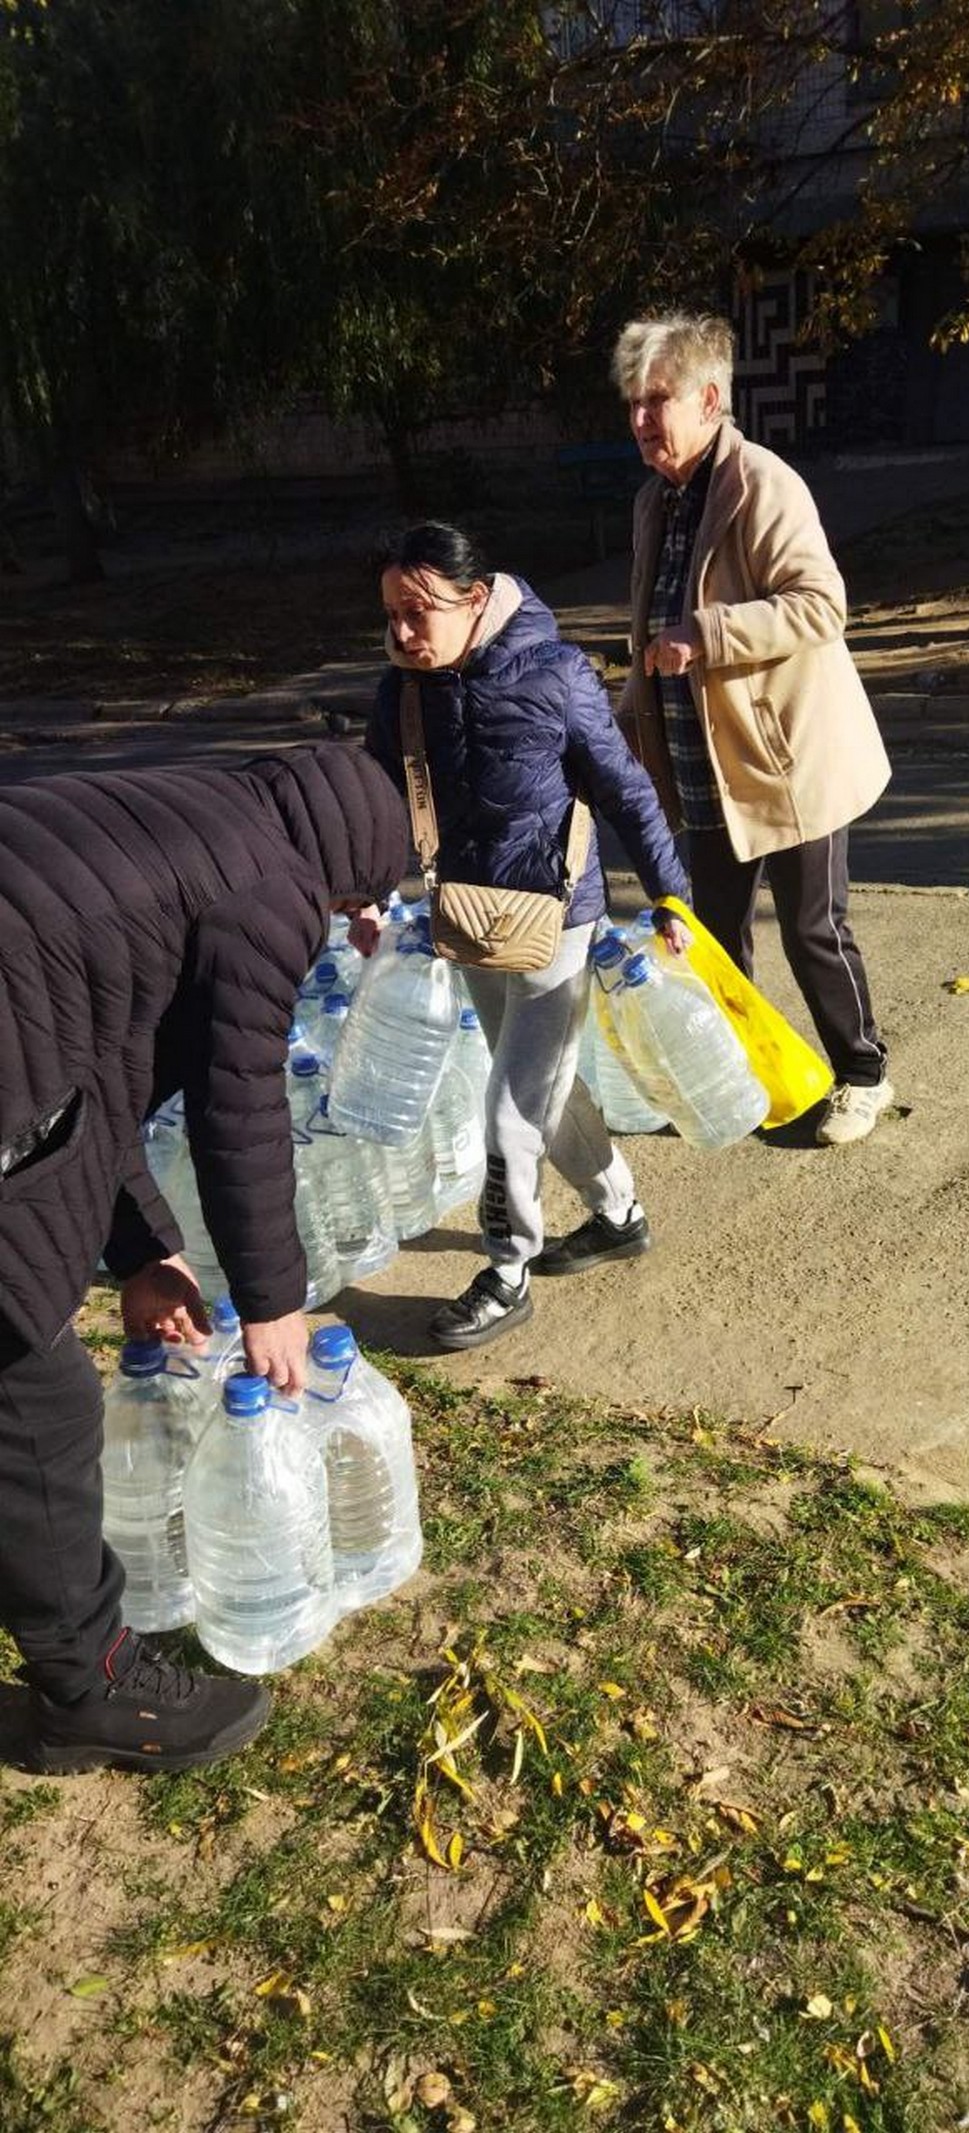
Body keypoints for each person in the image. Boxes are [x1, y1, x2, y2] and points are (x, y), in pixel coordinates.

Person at [0, 741, 409, 1775]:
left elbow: (91, 1059)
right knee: (36, 1390)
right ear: (352, 873)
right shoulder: (273, 895)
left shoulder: (187, 804)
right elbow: (239, 1105)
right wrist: (273, 1302)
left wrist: (145, 1248)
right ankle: (88, 1690)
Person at [354, 520, 690, 1353]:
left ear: (475, 601)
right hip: (469, 920)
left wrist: (670, 895)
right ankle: (618, 1212)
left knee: (507, 1108)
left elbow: (627, 791)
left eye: (419, 610)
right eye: (391, 612)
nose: (402, 631)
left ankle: (507, 1271)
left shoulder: (557, 675)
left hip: (557, 927)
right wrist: (360, 891)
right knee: (548, 1092)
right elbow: (372, 799)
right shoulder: (402, 689)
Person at [612, 312, 894, 1145]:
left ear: (708, 400)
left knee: (812, 929)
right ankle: (735, 1076)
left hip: (790, 755)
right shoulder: (653, 501)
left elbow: (821, 604)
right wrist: (628, 723)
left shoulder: (761, 483)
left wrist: (709, 634)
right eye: (632, 403)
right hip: (707, 761)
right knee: (713, 935)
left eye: (654, 400)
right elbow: (644, 626)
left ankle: (863, 1074)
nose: (639, 421)